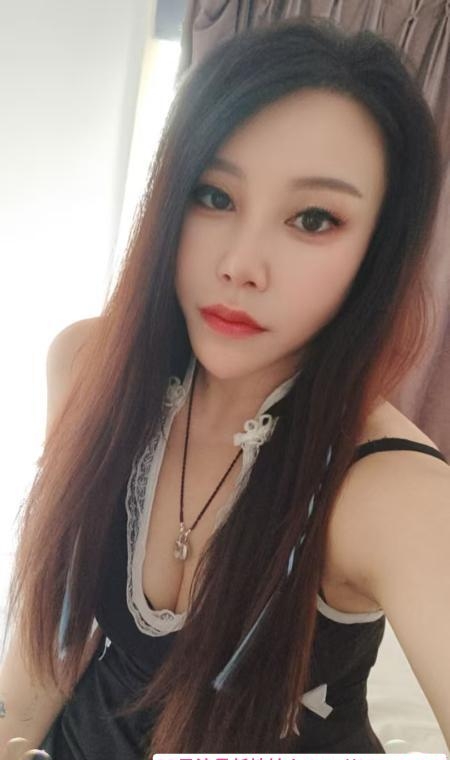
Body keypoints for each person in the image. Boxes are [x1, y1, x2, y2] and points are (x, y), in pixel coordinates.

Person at [1, 15, 449, 759]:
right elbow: (55, 636)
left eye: (313, 219)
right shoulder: (86, 366)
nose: (240, 264)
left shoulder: (387, 489)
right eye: (213, 196)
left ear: (378, 250)